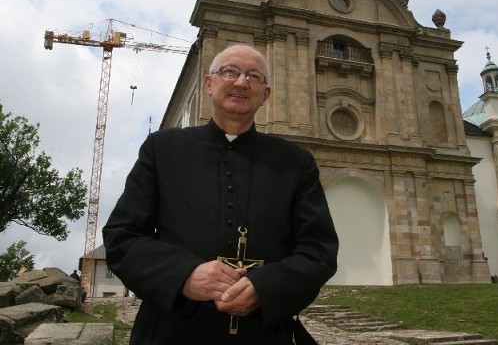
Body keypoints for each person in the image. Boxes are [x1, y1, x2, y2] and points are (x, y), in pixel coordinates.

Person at [102, 44, 338, 344]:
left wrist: (266, 288)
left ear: (265, 94)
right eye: (230, 72)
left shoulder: (295, 162)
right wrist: (185, 275)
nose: (241, 82)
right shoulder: (162, 149)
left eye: (254, 76)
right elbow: (123, 237)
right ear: (209, 84)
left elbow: (319, 250)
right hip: (171, 332)